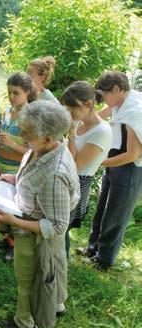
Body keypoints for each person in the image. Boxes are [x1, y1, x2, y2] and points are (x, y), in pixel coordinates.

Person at [0, 100, 80, 328]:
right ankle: (56, 304)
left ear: (48, 137)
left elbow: (57, 225)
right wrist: (14, 180)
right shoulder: (44, 147)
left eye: (27, 132)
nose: (21, 134)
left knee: (29, 280)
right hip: (38, 223)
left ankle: (26, 323)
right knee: (53, 270)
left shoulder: (54, 174)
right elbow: (33, 176)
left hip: (36, 234)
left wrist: (13, 222)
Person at [77, 72, 142, 270]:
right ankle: (92, 247)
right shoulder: (120, 101)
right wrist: (85, 119)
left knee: (116, 213)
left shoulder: (134, 112)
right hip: (114, 160)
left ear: (116, 89)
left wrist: (100, 161)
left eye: (104, 94)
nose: (103, 100)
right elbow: (105, 112)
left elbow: (132, 154)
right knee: (102, 206)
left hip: (130, 167)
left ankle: (104, 259)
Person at [0, 72, 37, 261]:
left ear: (27, 92)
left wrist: (11, 144)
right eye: (9, 92)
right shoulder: (8, 110)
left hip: (17, 171)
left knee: (15, 210)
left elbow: (34, 151)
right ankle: (6, 239)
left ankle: (14, 247)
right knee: (0, 209)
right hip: (1, 166)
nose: (11, 97)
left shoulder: (31, 116)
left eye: (16, 93)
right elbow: (3, 137)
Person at [61, 81, 112, 259]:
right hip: (64, 176)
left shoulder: (102, 132)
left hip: (78, 183)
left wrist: (71, 137)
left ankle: (60, 269)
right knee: (56, 227)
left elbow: (76, 166)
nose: (69, 113)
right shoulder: (77, 123)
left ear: (89, 104)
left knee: (61, 229)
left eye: (72, 108)